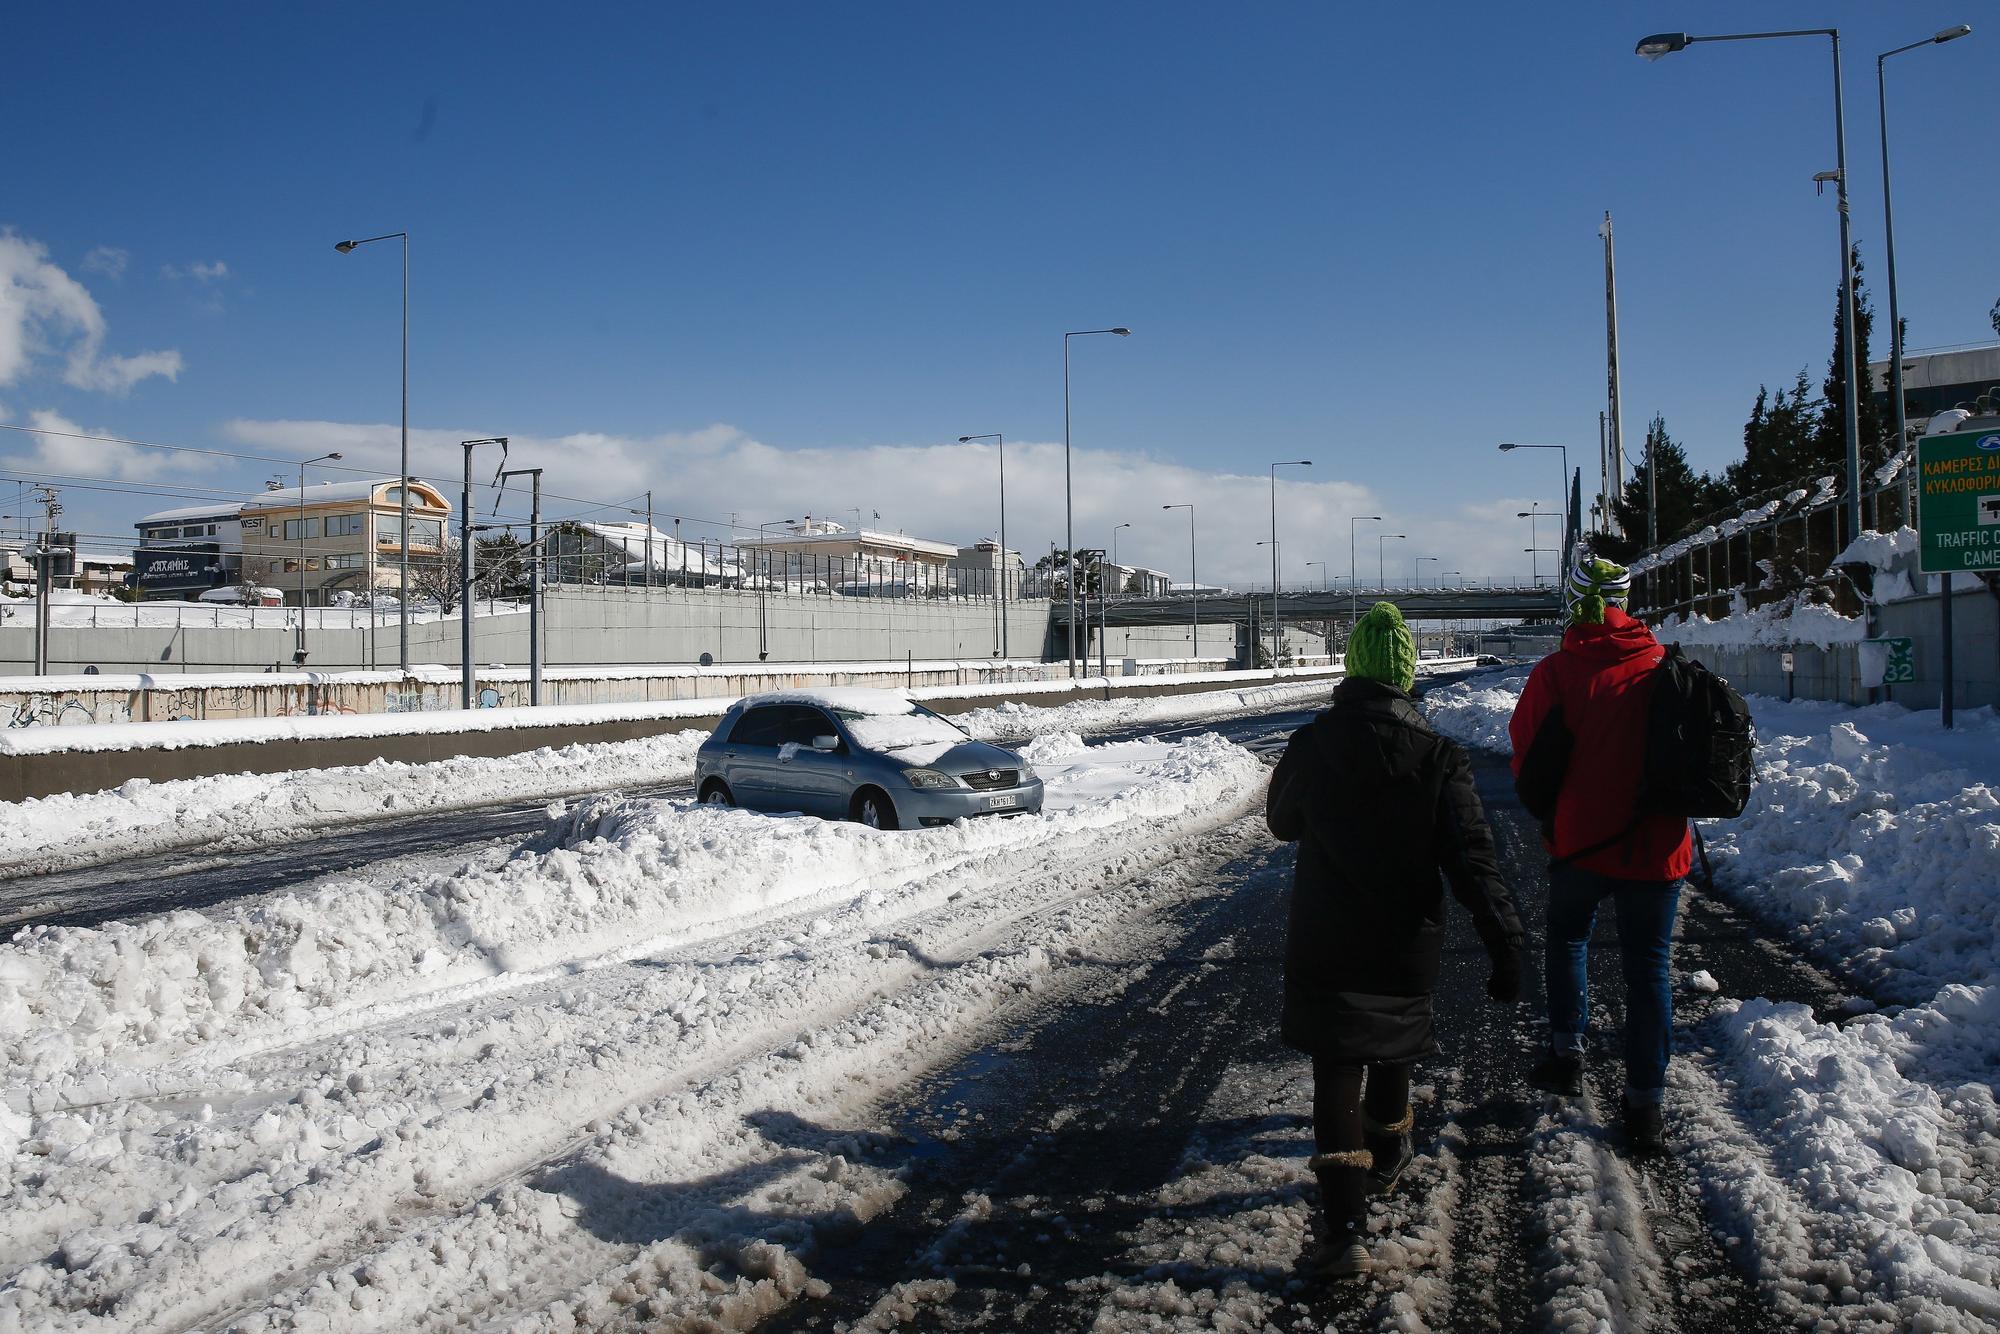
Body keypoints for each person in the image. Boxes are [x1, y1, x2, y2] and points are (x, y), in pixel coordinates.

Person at [1267, 602, 1524, 1281]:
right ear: (1407, 676)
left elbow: (1281, 822)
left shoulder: (1313, 743)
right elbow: (1472, 857)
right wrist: (1505, 940)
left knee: (1336, 1071)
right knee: (1394, 1044)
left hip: (1327, 938)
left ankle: (1345, 1231)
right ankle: (1387, 1150)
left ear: (1353, 670)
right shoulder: (1439, 755)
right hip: (1406, 940)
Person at [1507, 555, 1691, 1153]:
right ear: (1627, 602)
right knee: (1649, 969)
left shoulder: (1557, 672)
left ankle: (1566, 1055)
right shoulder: (1665, 666)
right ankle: (1645, 1107)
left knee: (1568, 940)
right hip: (1657, 847)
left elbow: (1526, 754)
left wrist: (1550, 815)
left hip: (1580, 843)